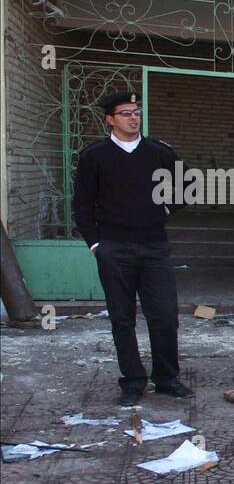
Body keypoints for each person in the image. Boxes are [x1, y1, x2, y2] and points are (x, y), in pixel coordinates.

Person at [72, 90, 190, 407]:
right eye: (125, 113)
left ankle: (166, 378)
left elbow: (184, 187)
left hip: (154, 246)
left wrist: (165, 210)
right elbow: (81, 205)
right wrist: (96, 244)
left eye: (136, 111)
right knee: (122, 318)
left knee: (165, 315)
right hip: (114, 248)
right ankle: (133, 381)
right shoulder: (94, 156)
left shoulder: (159, 153)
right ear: (110, 119)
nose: (133, 117)